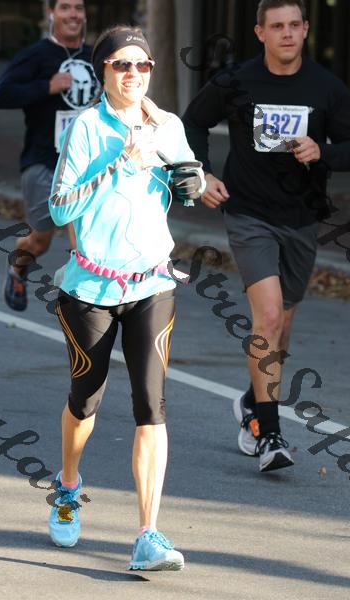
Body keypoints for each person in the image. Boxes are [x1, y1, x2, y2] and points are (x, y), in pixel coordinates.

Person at [47, 25, 204, 570]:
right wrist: (119, 164)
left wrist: (192, 183)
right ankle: (68, 486)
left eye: (142, 64)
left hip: (152, 283)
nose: (133, 73)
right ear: (103, 72)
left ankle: (148, 535)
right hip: (89, 288)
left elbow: (188, 179)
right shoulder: (87, 127)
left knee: (151, 404)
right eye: (121, 64)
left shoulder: (168, 125)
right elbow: (60, 209)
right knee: (85, 400)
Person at [182, 0, 350, 472]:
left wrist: (323, 153)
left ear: (306, 29)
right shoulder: (236, 81)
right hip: (249, 214)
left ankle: (253, 402)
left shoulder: (327, 87)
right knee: (269, 316)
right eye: (277, 26)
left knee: (281, 328)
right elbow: (192, 122)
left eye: (294, 25)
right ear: (260, 33)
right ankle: (269, 434)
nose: (287, 33)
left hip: (302, 217)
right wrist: (201, 172)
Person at [0, 0, 100, 311]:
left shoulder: (95, 57)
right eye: (65, 7)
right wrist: (46, 86)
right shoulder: (36, 55)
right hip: (44, 161)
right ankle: (18, 265)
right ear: (51, 13)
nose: (73, 14)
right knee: (39, 241)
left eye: (78, 8)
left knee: (84, 241)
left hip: (87, 166)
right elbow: (1, 96)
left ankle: (87, 308)